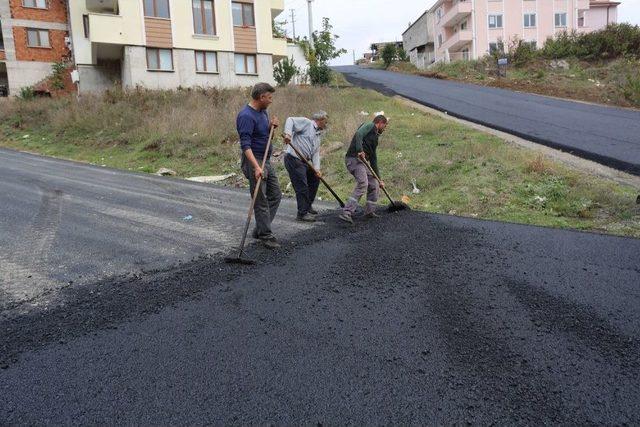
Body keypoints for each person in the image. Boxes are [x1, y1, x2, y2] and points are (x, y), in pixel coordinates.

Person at [236, 83, 281, 249]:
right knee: (260, 198)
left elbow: (266, 135)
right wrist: (256, 167)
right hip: (254, 159)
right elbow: (245, 145)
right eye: (269, 98)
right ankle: (266, 235)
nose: (271, 101)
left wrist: (272, 128)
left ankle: (261, 228)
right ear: (261, 97)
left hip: (266, 159)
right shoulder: (246, 116)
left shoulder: (264, 112)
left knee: (275, 194)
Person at [339, 115, 388, 224]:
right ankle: (346, 212)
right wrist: (360, 150)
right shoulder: (369, 125)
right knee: (363, 183)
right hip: (354, 159)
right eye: (384, 126)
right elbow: (359, 134)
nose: (384, 129)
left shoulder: (375, 138)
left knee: (374, 183)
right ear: (380, 122)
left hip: (362, 163)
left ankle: (369, 212)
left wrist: (379, 178)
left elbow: (373, 158)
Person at [283, 111, 328, 222]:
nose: (326, 124)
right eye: (325, 121)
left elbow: (316, 153)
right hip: (293, 159)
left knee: (315, 178)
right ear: (320, 119)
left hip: (304, 161)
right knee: (302, 185)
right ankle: (302, 214)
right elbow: (290, 120)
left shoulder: (318, 135)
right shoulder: (307, 123)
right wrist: (288, 134)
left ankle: (307, 206)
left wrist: (317, 169)